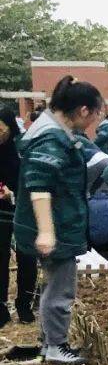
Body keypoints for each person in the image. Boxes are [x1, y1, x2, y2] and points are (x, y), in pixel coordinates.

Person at [13, 76, 104, 365]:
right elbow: (40, 186)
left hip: (59, 223)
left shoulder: (54, 130)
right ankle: (56, 345)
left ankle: (47, 341)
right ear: (84, 111)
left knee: (53, 285)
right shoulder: (52, 137)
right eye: (97, 113)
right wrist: (47, 231)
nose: (95, 120)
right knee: (61, 288)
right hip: (56, 226)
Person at [0, 107, 37, 327]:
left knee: (27, 256)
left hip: (24, 209)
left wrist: (14, 193)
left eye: (0, 128)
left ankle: (24, 304)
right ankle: (1, 306)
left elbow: (33, 181)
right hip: (1, 213)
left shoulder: (22, 149)